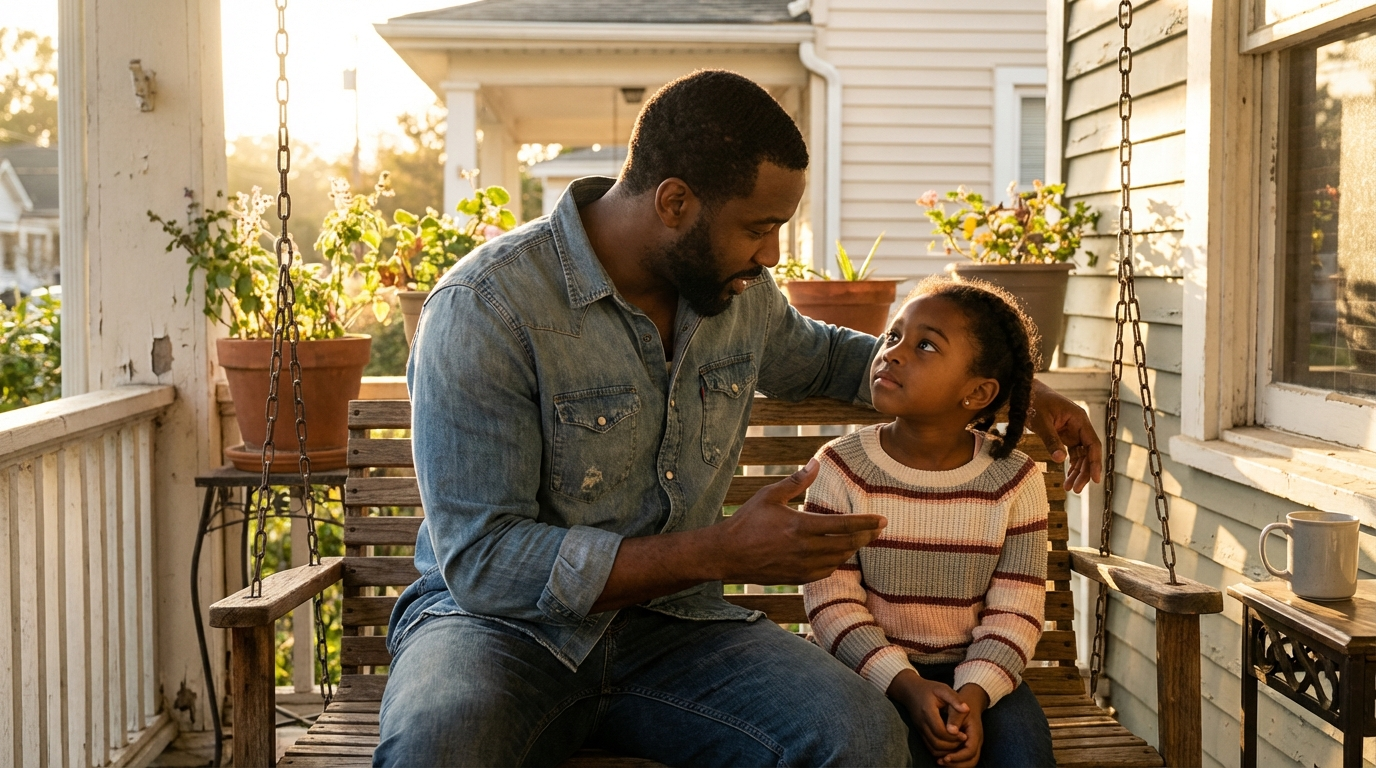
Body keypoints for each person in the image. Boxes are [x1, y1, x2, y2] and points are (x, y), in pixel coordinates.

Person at [375, 70, 1100, 767]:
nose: (773, 253)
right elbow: (484, 560)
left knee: (862, 738)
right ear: (675, 203)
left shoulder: (737, 295)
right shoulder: (485, 308)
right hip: (495, 633)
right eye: (759, 227)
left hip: (680, 630)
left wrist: (1014, 392)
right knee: (436, 748)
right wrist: (723, 552)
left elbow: (831, 360)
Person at [803, 277, 1057, 768]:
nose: (893, 353)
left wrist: (974, 698)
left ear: (978, 392)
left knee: (1024, 757)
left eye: (924, 345)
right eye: (894, 336)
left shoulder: (1014, 480)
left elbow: (1017, 609)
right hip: (863, 670)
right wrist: (908, 686)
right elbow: (831, 601)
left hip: (978, 675)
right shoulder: (842, 468)